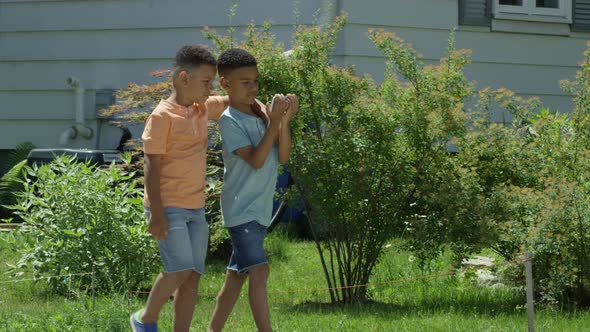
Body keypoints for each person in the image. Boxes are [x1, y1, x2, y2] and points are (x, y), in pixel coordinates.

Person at [130, 44, 229, 332]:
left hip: (195, 209)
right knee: (180, 268)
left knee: (193, 275)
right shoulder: (161, 116)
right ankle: (145, 319)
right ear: (184, 78)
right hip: (168, 208)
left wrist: (262, 104)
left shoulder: (200, 109)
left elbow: (230, 100)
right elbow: (151, 165)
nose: (209, 88)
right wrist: (157, 213)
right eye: (205, 82)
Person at [207, 48, 298, 332]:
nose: (253, 87)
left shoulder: (260, 112)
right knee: (260, 270)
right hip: (241, 209)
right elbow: (257, 160)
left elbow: (283, 157)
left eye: (255, 81)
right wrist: (273, 123)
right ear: (225, 84)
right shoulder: (229, 121)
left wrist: (284, 123)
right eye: (245, 82)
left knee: (235, 278)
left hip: (258, 211)